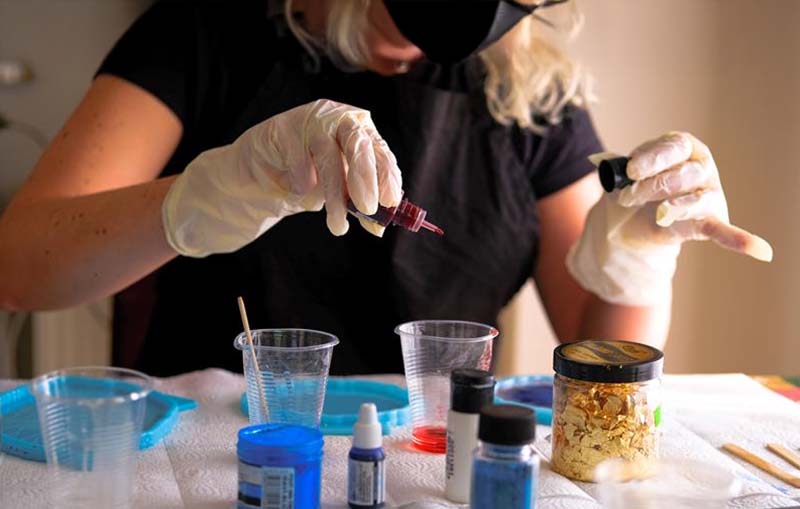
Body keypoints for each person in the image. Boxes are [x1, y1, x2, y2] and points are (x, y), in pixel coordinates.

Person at [0, 0, 771, 376]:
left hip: (435, 464)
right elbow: (20, 266)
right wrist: (200, 198)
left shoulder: (529, 88)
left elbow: (597, 352)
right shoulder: (205, 32)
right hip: (226, 454)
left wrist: (637, 261)